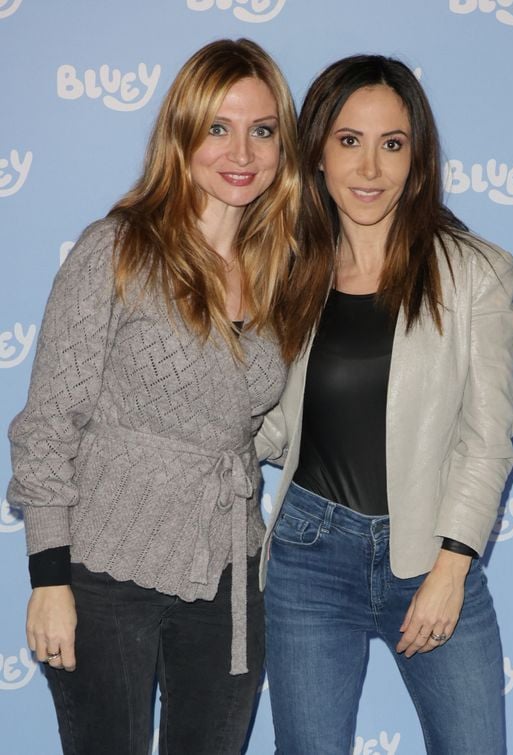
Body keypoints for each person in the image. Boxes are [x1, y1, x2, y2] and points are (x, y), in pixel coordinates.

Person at [7, 38, 299, 755]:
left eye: (262, 130)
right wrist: (48, 577)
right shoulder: (118, 249)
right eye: (218, 128)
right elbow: (48, 424)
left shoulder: (281, 272)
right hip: (105, 571)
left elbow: (256, 423)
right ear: (182, 135)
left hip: (228, 572)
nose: (242, 150)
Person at [256, 54, 513, 755]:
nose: (370, 168)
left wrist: (449, 570)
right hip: (308, 558)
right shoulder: (284, 271)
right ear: (315, 151)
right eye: (349, 141)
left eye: (392, 144)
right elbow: (270, 424)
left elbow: (489, 437)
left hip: (432, 555)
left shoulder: (476, 272)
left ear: (417, 158)